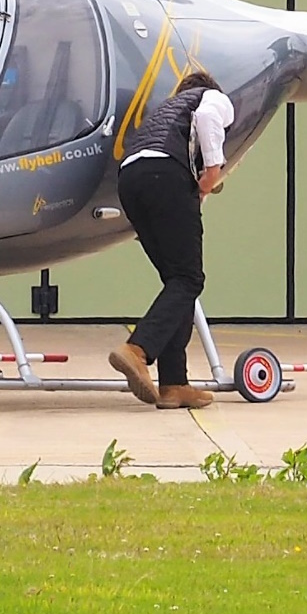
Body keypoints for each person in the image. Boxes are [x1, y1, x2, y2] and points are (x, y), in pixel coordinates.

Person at [108, 70, 235, 409]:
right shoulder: (212, 99)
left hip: (131, 179)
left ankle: (174, 383)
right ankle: (137, 349)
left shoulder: (166, 111)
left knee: (178, 282)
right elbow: (210, 118)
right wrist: (213, 170)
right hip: (165, 175)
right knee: (190, 278)